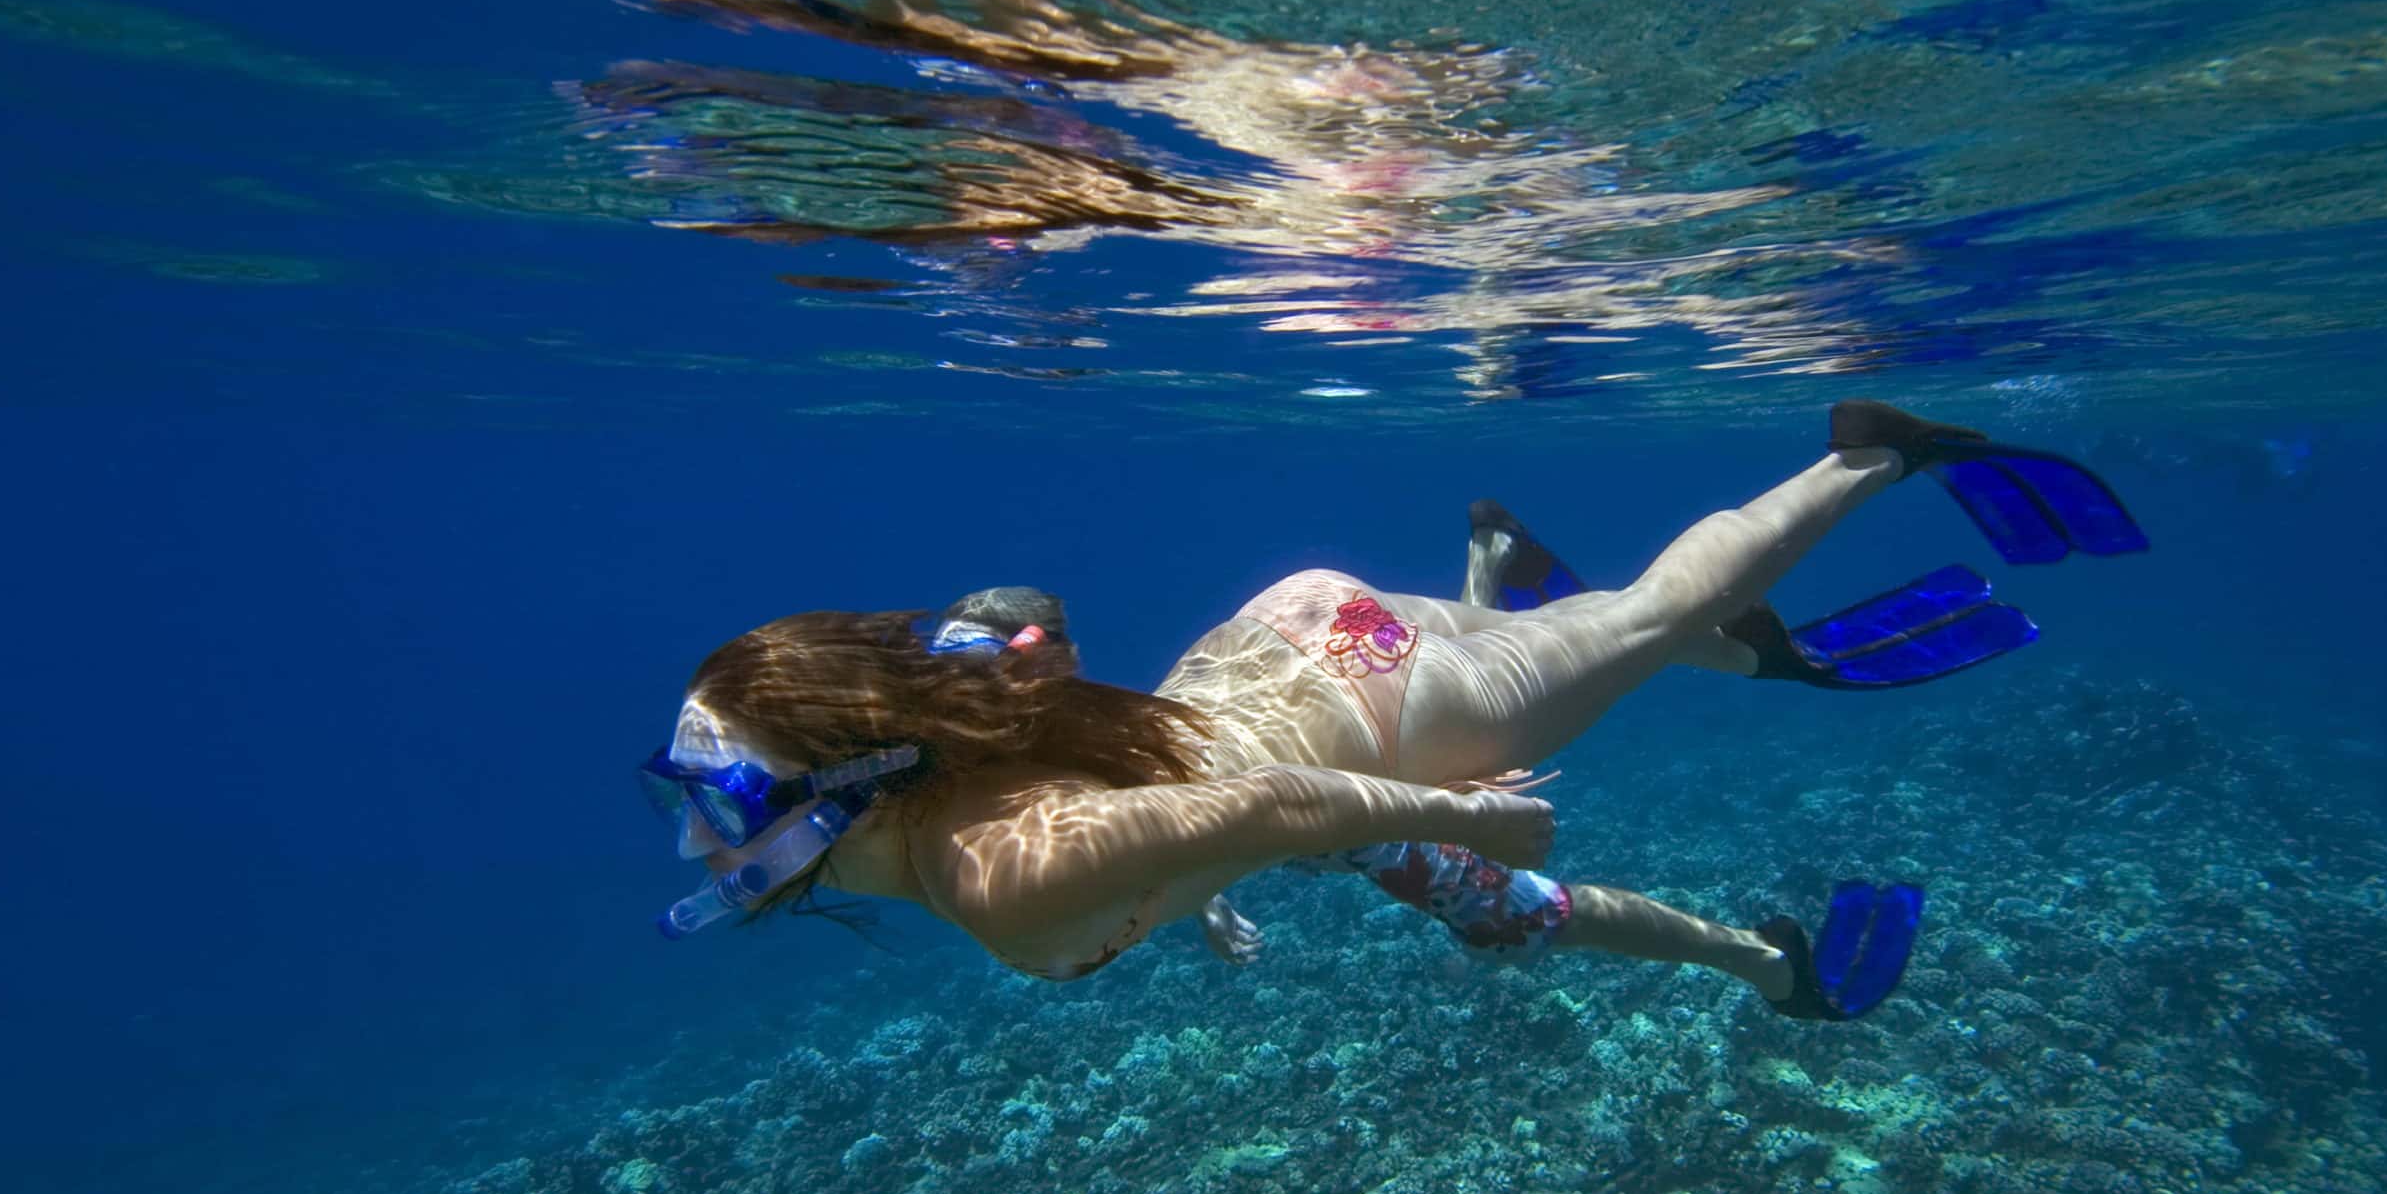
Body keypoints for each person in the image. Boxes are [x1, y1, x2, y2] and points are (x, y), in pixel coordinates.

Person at [637, 403, 2146, 1020]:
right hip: (1297, 636)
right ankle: (1507, 587)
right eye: (686, 798)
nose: (700, 846)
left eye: (714, 801)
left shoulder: (989, 871)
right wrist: (1194, 884)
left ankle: (1871, 458)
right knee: (1558, 685)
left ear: (837, 789)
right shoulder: (968, 757)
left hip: (1375, 718)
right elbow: (1173, 801)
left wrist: (1450, 811)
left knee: (1642, 616)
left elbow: (1258, 809)